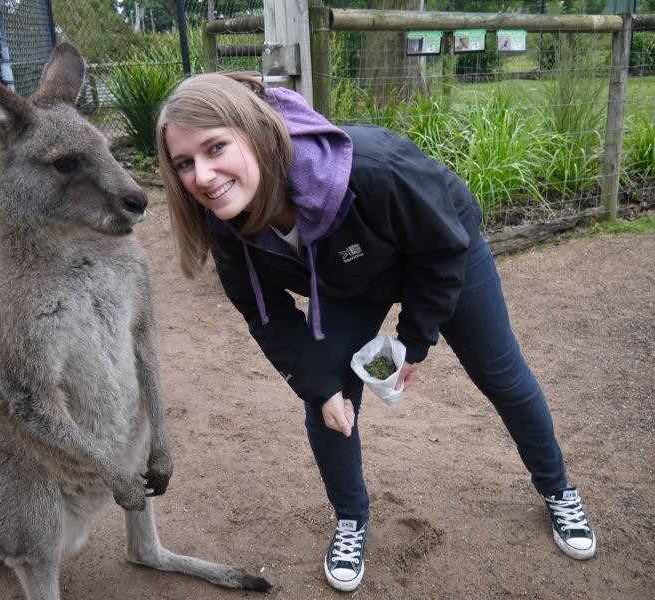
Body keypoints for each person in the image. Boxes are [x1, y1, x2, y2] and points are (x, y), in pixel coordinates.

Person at [155, 72, 596, 592]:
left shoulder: (371, 166)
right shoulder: (223, 224)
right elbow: (265, 314)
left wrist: (414, 339)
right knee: (329, 400)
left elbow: (441, 247)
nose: (203, 176)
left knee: (501, 375)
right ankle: (350, 518)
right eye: (185, 162)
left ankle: (558, 489)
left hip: (440, 253)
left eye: (216, 147)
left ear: (259, 133)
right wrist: (317, 385)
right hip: (347, 278)